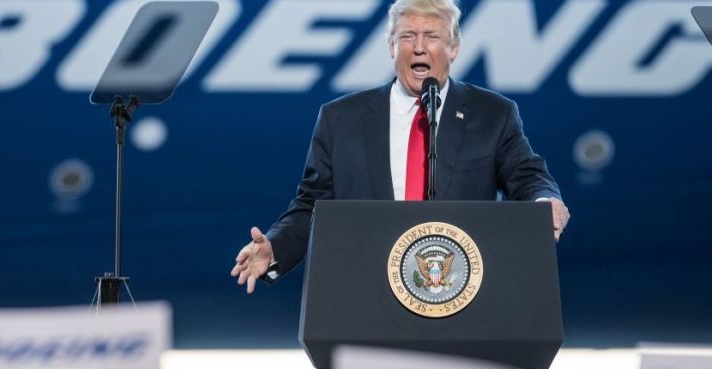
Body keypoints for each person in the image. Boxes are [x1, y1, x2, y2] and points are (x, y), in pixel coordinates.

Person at [232, 0, 570, 293]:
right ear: (391, 46)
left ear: (454, 47)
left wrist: (545, 202)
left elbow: (527, 176)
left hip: (462, 294)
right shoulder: (341, 119)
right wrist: (275, 247)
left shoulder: (493, 114)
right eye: (408, 36)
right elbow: (312, 206)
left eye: (432, 36)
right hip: (367, 295)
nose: (419, 47)